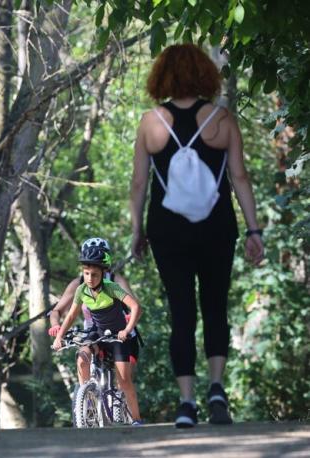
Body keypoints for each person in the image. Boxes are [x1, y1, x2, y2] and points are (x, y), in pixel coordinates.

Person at [129, 44, 264, 428]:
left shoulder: (150, 122)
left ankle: (186, 403)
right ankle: (216, 387)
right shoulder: (221, 119)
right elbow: (240, 177)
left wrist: (136, 231)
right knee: (215, 306)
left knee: (182, 312)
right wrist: (254, 229)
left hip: (168, 230)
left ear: (163, 77)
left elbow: (140, 182)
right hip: (217, 227)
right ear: (205, 74)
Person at [52, 244, 143, 425]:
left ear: (103, 273)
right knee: (81, 357)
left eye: (94, 274)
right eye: (86, 273)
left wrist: (126, 330)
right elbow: (70, 316)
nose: (90, 278)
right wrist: (59, 336)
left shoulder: (112, 287)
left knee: (124, 381)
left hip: (117, 335)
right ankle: (87, 401)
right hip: (96, 333)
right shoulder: (81, 290)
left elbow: (136, 308)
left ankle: (137, 420)